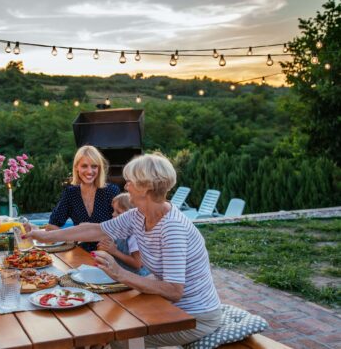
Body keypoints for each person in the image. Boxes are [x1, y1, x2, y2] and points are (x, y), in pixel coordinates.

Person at [28, 153, 222, 346]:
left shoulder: (172, 228)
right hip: (168, 306)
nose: (125, 186)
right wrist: (43, 236)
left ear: (145, 188)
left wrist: (119, 273)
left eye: (129, 182)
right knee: (105, 321)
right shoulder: (138, 215)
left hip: (194, 316)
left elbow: (173, 290)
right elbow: (95, 229)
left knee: (119, 338)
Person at [47, 145, 119, 252]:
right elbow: (51, 225)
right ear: (76, 167)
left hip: (108, 254)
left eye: (94, 166)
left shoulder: (111, 191)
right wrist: (71, 238)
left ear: (99, 168)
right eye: (84, 166)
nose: (90, 171)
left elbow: (121, 227)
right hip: (80, 254)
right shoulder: (70, 193)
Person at [98, 193, 149, 276]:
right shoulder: (119, 229)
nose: (113, 214)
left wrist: (114, 251)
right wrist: (104, 247)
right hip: (120, 274)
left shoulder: (135, 236)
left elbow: (138, 264)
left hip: (136, 279)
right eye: (113, 210)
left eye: (118, 212)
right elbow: (107, 248)